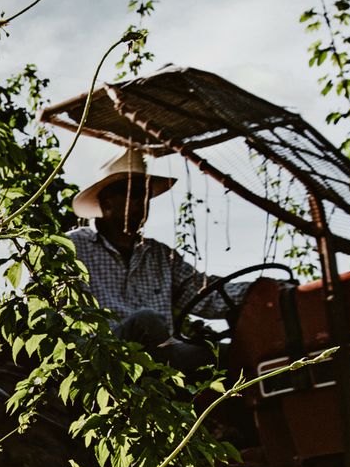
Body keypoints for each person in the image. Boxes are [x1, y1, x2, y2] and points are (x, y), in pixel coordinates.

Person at [69, 148, 250, 366]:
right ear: (107, 202)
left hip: (162, 355)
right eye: (133, 195)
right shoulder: (73, 248)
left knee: (233, 354)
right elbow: (46, 308)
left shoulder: (160, 255)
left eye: (145, 196)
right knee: (147, 321)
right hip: (101, 356)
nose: (142, 203)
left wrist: (258, 291)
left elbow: (204, 295)